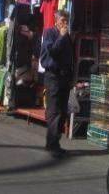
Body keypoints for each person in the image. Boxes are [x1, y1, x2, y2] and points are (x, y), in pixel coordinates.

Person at [39, 10, 73, 157]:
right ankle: (51, 144)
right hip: (53, 76)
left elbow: (70, 57)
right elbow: (53, 51)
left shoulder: (67, 36)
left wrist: (72, 77)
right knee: (54, 110)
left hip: (64, 77)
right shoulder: (50, 33)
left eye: (67, 21)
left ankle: (55, 142)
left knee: (63, 110)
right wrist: (61, 36)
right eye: (63, 20)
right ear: (56, 20)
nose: (65, 24)